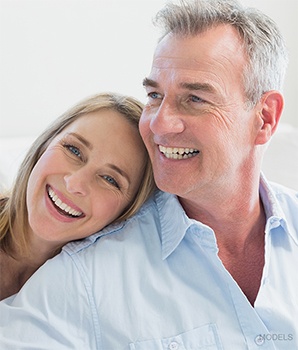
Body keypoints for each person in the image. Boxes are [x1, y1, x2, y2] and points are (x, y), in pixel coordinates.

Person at [1, 0, 297, 348]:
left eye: (195, 98)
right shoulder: (82, 276)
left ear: (265, 118)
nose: (159, 123)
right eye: (155, 94)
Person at [0, 92, 155, 301]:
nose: (75, 184)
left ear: (128, 210)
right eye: (73, 150)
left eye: (109, 179)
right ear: (46, 144)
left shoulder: (95, 297)